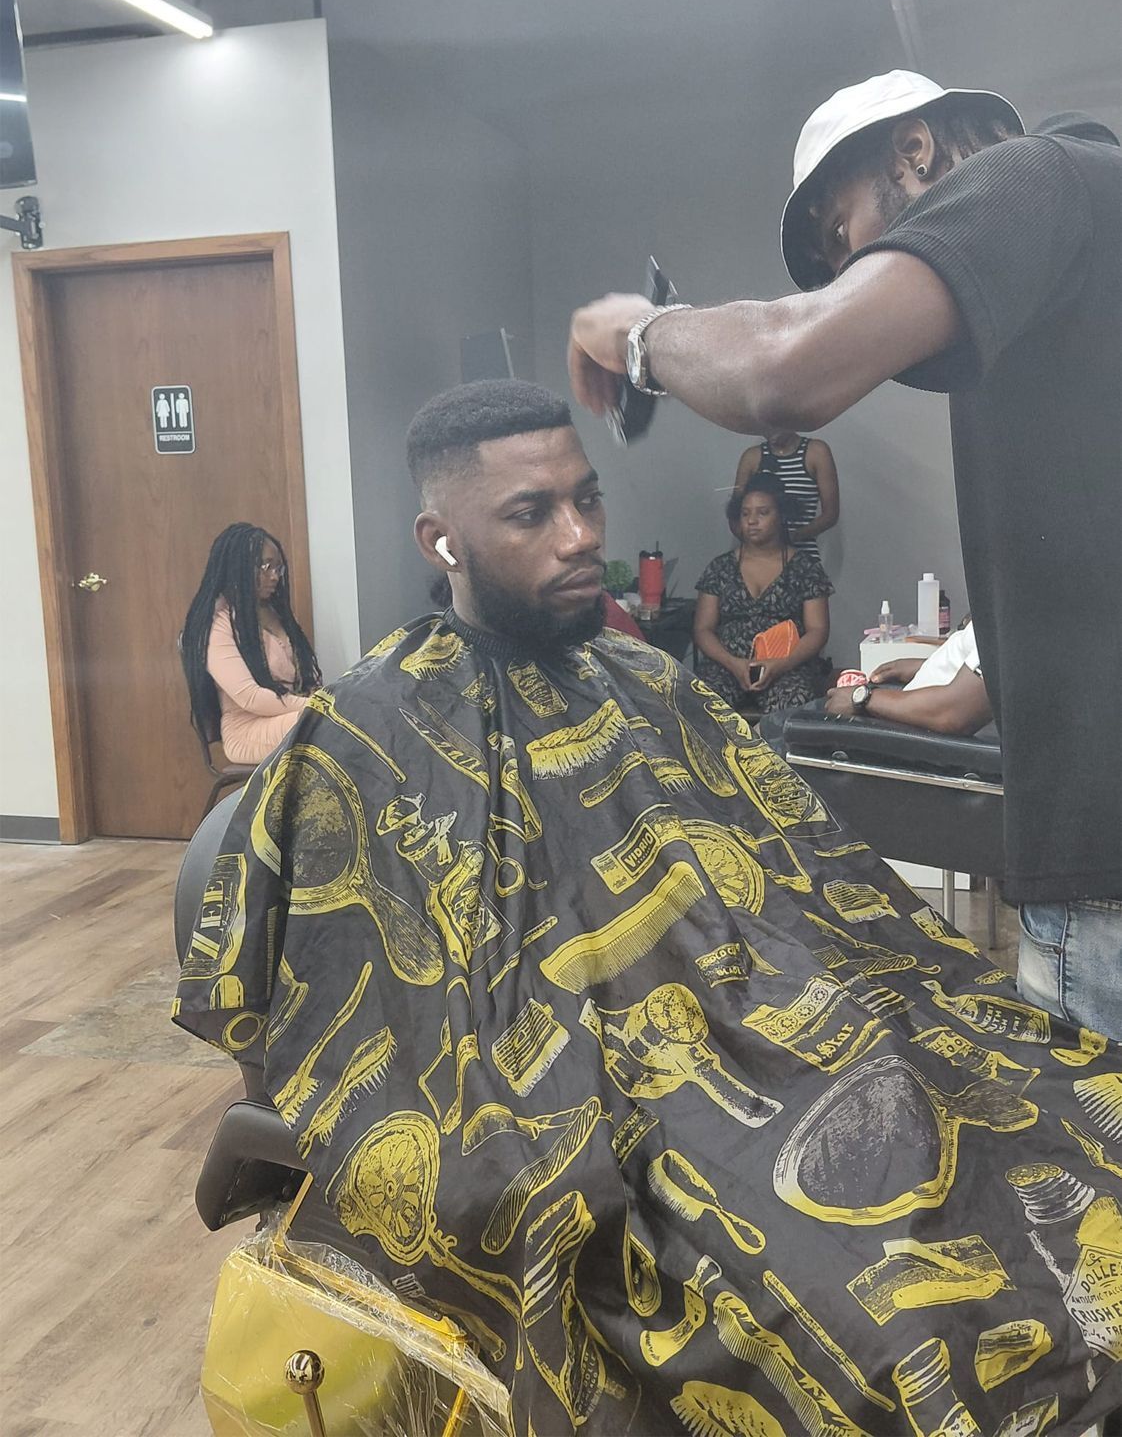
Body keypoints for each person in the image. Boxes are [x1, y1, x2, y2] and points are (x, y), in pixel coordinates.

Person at [176, 380, 1120, 1436]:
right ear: (441, 539)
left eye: (588, 500)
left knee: (1060, 1117)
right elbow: (358, 994)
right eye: (533, 514)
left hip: (762, 1028)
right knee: (877, 1315)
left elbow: (797, 877)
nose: (581, 536)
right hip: (596, 1092)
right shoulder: (365, 730)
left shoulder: (646, 676)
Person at [567, 72, 1121, 1039]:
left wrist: (640, 333)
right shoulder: (1078, 274)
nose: (847, 267)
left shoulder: (1046, 175)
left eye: (840, 232)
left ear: (915, 149)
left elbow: (785, 365)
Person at [182, 522, 320, 765]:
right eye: (266, 566)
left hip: (291, 716)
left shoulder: (280, 615)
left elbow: (306, 679)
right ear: (239, 567)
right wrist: (319, 706)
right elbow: (250, 698)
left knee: (342, 721)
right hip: (247, 730)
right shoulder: (218, 623)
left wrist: (322, 700)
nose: (275, 576)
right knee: (333, 724)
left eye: (278, 568)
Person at [694, 472, 831, 713]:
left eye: (763, 513)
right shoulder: (720, 567)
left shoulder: (805, 567)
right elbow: (703, 629)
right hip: (727, 665)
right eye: (745, 514)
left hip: (787, 666)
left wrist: (780, 665)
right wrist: (734, 664)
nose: (752, 521)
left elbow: (818, 630)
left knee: (795, 703)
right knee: (699, 702)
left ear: (780, 516)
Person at [823, 618, 991, 734]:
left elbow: (954, 713)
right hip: (920, 712)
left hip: (922, 736)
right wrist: (925, 665)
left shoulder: (1011, 618)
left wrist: (861, 698)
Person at [734, 428, 839, 559]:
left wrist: (791, 537)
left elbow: (830, 515)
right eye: (764, 425)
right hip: (758, 558)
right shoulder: (752, 457)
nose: (769, 431)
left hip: (803, 556)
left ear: (789, 419)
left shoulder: (816, 452)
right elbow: (735, 513)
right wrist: (758, 541)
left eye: (774, 424)